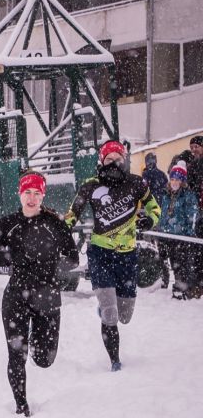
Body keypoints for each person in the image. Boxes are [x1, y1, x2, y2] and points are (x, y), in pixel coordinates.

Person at [0, 172, 79, 417]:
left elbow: (73, 258)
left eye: (36, 193)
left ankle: (36, 342)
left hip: (47, 297)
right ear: (20, 194)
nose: (31, 198)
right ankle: (21, 405)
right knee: (16, 355)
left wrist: (51, 265)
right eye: (27, 193)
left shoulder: (54, 223)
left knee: (44, 359)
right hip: (16, 296)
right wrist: (11, 257)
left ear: (43, 196)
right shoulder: (9, 223)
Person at [66, 140, 160, 371]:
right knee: (110, 313)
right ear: (102, 161)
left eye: (118, 159)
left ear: (124, 159)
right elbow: (72, 213)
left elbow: (155, 208)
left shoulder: (137, 183)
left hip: (127, 255)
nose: (114, 163)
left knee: (124, 316)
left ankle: (107, 309)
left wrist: (149, 220)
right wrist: (61, 229)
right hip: (101, 253)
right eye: (109, 159)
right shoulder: (90, 185)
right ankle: (115, 362)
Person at [154, 161, 198, 298]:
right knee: (165, 260)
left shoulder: (188, 195)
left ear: (182, 181)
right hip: (165, 234)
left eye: (177, 179)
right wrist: (159, 227)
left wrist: (188, 232)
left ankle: (181, 288)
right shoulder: (166, 194)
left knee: (180, 263)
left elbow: (193, 216)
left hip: (180, 236)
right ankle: (163, 282)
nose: (174, 182)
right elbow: (162, 213)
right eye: (172, 179)